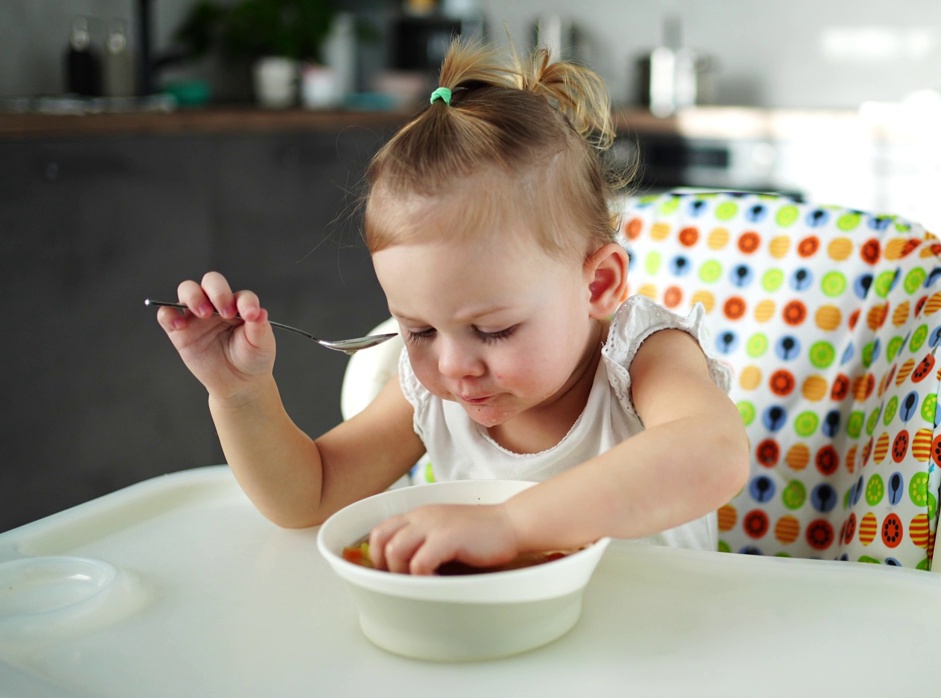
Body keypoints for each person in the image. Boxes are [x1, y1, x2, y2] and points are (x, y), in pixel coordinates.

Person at [155, 39, 749, 576]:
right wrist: (240, 396)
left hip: (660, 655)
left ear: (596, 286)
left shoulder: (641, 355)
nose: (453, 364)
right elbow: (308, 497)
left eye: (493, 330)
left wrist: (512, 525)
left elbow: (711, 452)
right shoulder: (433, 392)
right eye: (418, 330)